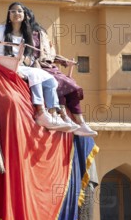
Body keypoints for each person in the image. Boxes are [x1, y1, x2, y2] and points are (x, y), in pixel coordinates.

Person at [0, 2, 72, 132]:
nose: (16, 14)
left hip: (21, 66)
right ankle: (40, 112)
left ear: (25, 15)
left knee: (50, 80)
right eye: (13, 11)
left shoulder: (27, 35)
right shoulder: (0, 30)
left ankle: (53, 113)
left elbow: (30, 56)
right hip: (3, 64)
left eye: (20, 11)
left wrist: (27, 60)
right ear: (9, 15)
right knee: (35, 74)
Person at [24, 7, 98, 137]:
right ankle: (65, 117)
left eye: (26, 16)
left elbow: (48, 54)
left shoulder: (41, 33)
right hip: (36, 68)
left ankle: (81, 122)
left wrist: (64, 62)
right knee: (63, 83)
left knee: (72, 87)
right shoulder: (19, 35)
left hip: (49, 67)